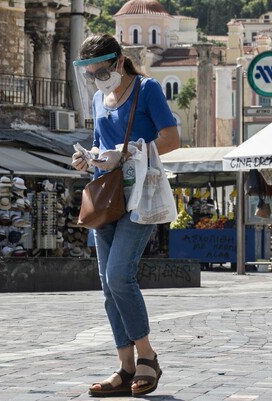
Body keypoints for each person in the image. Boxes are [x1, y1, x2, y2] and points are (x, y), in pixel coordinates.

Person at [71, 33, 179, 397]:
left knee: (119, 276)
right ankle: (125, 366)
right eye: (90, 74)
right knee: (107, 286)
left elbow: (171, 139)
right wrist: (89, 158)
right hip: (106, 196)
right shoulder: (102, 99)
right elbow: (102, 145)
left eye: (100, 71)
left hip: (141, 196)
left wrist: (130, 151)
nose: (96, 79)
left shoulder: (147, 89)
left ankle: (148, 356)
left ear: (118, 62)